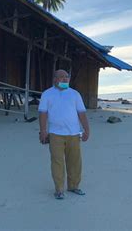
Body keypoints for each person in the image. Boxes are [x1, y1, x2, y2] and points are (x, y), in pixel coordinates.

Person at [38, 69, 90, 199]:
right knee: (57, 162)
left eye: (67, 77)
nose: (65, 79)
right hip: (55, 134)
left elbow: (82, 113)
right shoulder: (47, 94)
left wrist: (86, 130)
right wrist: (43, 130)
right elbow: (42, 113)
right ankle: (59, 189)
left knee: (75, 162)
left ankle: (74, 186)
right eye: (61, 77)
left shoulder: (75, 94)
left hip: (74, 134)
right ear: (55, 79)